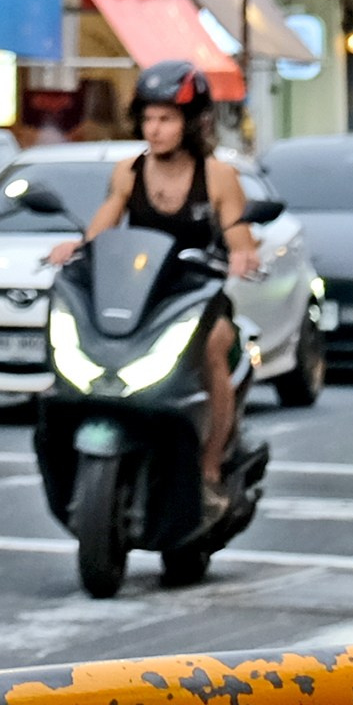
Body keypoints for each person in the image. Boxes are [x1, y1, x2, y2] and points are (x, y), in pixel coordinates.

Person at [49, 61, 258, 518]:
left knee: (215, 349)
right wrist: (76, 247)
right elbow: (103, 227)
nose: (155, 129)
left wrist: (242, 253)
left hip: (197, 296)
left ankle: (208, 468)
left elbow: (239, 235)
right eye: (148, 118)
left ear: (193, 123)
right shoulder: (128, 171)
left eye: (166, 119)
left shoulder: (218, 177)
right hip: (142, 295)